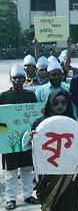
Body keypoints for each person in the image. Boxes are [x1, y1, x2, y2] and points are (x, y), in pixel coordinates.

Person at [31, 88, 78, 211]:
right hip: (48, 176)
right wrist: (32, 139)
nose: (60, 106)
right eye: (55, 103)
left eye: (63, 102)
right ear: (49, 104)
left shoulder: (75, 123)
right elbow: (33, 152)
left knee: (70, 204)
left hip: (69, 177)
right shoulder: (40, 124)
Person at [1, 66, 39, 210]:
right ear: (11, 79)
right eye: (14, 77)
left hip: (26, 138)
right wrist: (5, 132)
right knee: (10, 171)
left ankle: (28, 195)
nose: (17, 80)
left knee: (27, 168)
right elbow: (1, 119)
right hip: (9, 140)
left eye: (20, 77)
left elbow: (35, 117)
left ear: (25, 79)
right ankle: (11, 198)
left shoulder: (31, 96)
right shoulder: (3, 96)